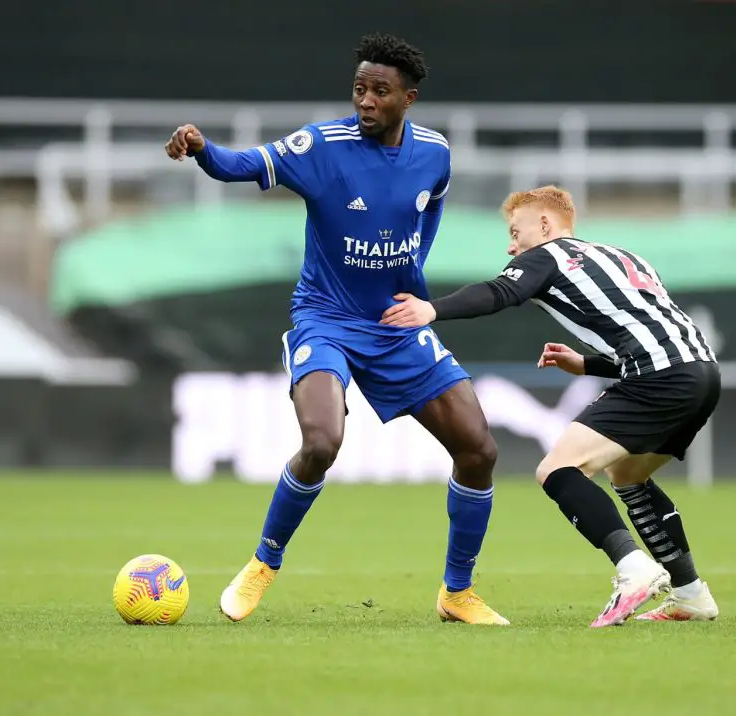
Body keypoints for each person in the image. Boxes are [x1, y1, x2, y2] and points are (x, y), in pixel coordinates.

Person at [165, 33, 507, 626]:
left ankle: (457, 593)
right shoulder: (321, 146)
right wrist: (201, 148)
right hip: (325, 319)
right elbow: (239, 166)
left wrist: (414, 276)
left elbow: (431, 206)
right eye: (359, 89)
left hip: (396, 325)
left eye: (380, 91)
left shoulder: (435, 153)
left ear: (408, 98)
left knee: (479, 450)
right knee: (322, 443)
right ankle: (263, 563)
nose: (366, 101)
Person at [380, 185, 721, 626]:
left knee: (557, 469)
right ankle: (691, 594)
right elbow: (648, 331)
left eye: (514, 232)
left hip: (658, 377)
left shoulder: (549, 255)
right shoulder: (622, 256)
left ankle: (633, 567)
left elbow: (499, 292)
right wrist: (587, 363)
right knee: (628, 474)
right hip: (701, 372)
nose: (511, 246)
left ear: (544, 224)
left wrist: (432, 310)